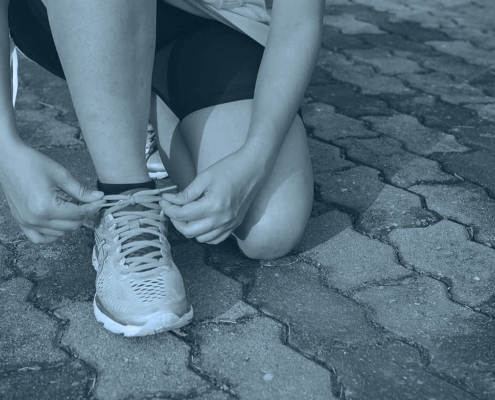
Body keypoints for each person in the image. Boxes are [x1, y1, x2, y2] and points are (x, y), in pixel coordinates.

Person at [1, 0, 324, 336]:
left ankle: (138, 103)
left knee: (268, 229)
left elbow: (300, 21)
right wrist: (5, 150)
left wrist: (255, 159)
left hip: (215, 21)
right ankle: (126, 199)